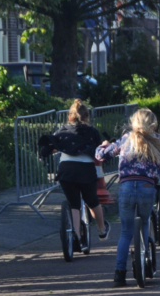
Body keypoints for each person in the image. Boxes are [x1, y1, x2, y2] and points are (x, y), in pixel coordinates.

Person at [96, 109, 160, 287]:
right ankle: (144, 262)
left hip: (126, 188)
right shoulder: (158, 140)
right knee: (145, 223)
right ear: (153, 124)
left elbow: (101, 156)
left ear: (134, 122)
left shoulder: (126, 139)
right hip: (147, 188)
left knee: (126, 232)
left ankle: (119, 273)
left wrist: (103, 145)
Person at [40, 100, 110, 244]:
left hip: (66, 170)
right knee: (92, 201)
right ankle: (102, 229)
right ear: (87, 116)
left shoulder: (62, 131)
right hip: (86, 171)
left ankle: (76, 236)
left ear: (69, 116)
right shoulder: (92, 132)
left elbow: (50, 146)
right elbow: (100, 151)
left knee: (74, 204)